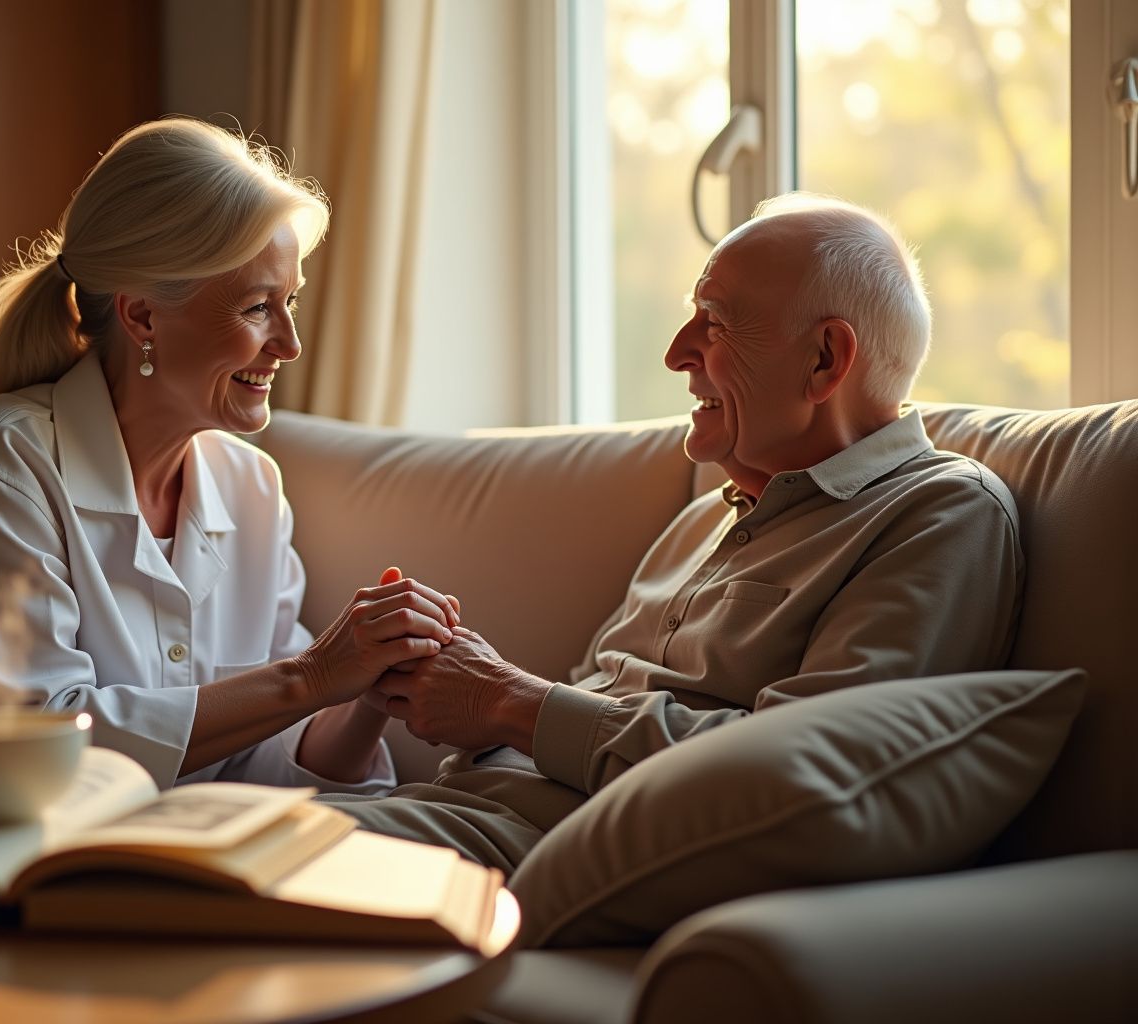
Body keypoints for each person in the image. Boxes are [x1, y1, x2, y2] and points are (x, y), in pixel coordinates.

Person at [0, 117, 458, 838]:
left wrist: (366, 690)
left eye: (288, 302)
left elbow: (260, 756)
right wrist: (313, 675)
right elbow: (29, 746)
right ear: (143, 317)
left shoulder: (251, 489)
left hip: (84, 872)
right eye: (260, 307)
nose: (290, 343)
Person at [319, 193, 1025, 872]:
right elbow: (587, 698)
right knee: (222, 828)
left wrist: (507, 701)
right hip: (451, 810)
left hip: (545, 851)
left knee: (220, 847)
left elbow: (806, 774)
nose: (676, 353)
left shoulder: (937, 513)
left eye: (713, 324)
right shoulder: (705, 519)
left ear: (824, 361)